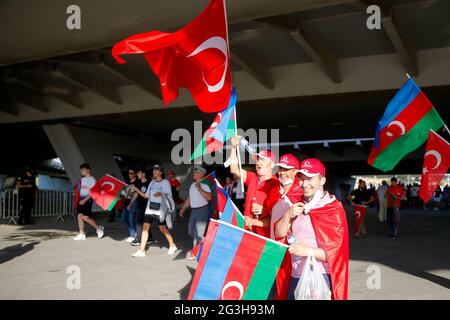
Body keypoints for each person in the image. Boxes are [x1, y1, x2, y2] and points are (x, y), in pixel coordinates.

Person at [275, 158, 349, 300]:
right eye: (302, 179)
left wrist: (306, 251)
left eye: (310, 179)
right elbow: (279, 233)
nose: (304, 184)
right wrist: (288, 215)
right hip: (296, 274)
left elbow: (337, 253)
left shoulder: (332, 208)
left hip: (319, 276)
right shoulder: (297, 205)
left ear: (322, 181)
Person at [230, 136, 280, 237]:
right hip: (246, 228)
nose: (258, 162)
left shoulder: (277, 184)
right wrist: (233, 148)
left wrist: (264, 209)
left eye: (262, 160)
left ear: (271, 165)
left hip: (264, 232)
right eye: (257, 160)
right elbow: (234, 170)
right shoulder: (252, 177)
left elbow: (278, 213)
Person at [270, 154, 303, 300]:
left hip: (293, 247)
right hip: (275, 245)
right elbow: (269, 219)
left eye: (287, 169)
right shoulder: (274, 191)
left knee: (291, 286)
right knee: (278, 284)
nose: (282, 172)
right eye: (281, 168)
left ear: (295, 172)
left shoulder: (302, 191)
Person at [131, 164, 177, 257]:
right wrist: (136, 189)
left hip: (160, 210)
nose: (154, 172)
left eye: (156, 170)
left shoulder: (165, 182)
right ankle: (141, 250)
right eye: (153, 170)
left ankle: (172, 245)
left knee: (162, 228)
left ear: (160, 172)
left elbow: (169, 196)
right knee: (145, 227)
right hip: (150, 209)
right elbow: (146, 196)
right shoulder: (152, 183)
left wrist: (161, 193)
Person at [179, 166, 212, 260]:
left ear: (201, 174)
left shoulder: (205, 185)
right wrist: (183, 208)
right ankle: (204, 244)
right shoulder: (192, 185)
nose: (193, 174)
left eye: (196, 172)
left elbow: (209, 198)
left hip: (202, 210)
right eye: (194, 172)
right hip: (193, 211)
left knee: (199, 233)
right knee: (191, 231)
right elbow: (190, 198)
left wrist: (200, 188)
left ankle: (196, 252)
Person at [73, 163, 104, 241]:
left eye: (83, 170)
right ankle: (82, 233)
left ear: (88, 170)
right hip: (81, 199)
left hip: (88, 199)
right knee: (79, 216)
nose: (82, 172)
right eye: (81, 170)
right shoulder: (82, 179)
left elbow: (93, 193)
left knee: (85, 218)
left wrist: (84, 200)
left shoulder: (92, 180)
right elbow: (81, 190)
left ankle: (98, 229)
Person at [130, 168, 154, 247]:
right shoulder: (138, 182)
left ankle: (138, 239)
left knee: (138, 221)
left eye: (139, 173)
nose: (137, 175)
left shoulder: (149, 183)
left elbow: (146, 196)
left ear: (143, 174)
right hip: (140, 205)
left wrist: (137, 189)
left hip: (147, 205)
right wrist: (130, 203)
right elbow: (136, 194)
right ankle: (150, 238)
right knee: (145, 222)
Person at [121, 167, 139, 242]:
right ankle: (133, 232)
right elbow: (126, 193)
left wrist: (129, 195)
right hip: (127, 201)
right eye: (129, 173)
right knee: (123, 219)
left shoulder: (137, 183)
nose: (129, 175)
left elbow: (136, 194)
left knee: (131, 219)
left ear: (135, 174)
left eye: (131, 173)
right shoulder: (128, 183)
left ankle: (132, 235)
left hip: (133, 202)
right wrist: (124, 192)